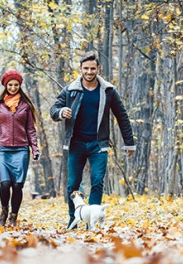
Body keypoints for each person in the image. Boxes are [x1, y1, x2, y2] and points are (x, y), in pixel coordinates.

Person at [50, 51, 136, 228]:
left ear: (99, 69)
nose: (89, 72)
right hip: (76, 143)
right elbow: (54, 109)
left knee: (97, 181)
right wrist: (60, 112)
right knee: (73, 183)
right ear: (80, 69)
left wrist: (129, 142)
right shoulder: (70, 90)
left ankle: (92, 222)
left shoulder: (108, 91)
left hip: (99, 144)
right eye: (86, 68)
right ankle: (73, 219)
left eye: (93, 68)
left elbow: (122, 116)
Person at [0, 69, 40, 227]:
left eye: (16, 85)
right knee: (5, 184)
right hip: (3, 150)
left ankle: (14, 216)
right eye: (10, 85)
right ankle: (4, 210)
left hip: (21, 150)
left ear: (20, 85)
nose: (13, 88)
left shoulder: (26, 106)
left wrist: (35, 149)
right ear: (5, 86)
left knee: (17, 185)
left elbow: (30, 130)